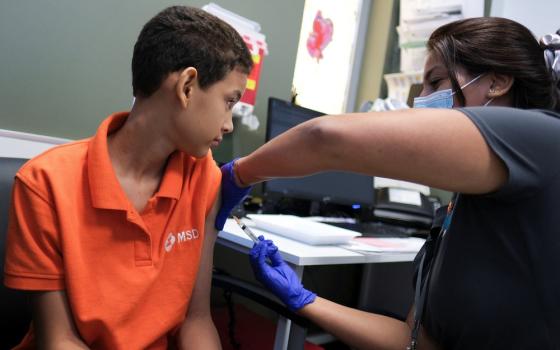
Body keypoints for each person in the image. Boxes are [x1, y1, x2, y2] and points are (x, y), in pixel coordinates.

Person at [215, 17, 560, 349]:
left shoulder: (545, 138)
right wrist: (304, 299)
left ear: (497, 83)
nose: (419, 100)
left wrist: (238, 174)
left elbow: (325, 137)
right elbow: (413, 341)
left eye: (436, 82)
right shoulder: (462, 204)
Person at [4, 6, 252, 349]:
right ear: (187, 86)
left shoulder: (203, 177)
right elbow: (58, 339)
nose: (228, 124)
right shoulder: (45, 183)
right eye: (229, 102)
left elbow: (196, 320)